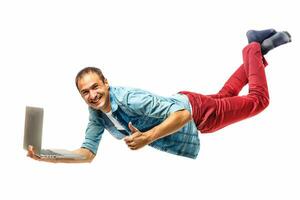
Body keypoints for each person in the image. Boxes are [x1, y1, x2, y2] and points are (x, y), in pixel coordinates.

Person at [27, 29, 291, 162]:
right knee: (227, 94)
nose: (93, 95)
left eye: (96, 87)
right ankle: (259, 51)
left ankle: (253, 47)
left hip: (196, 114)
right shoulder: (97, 114)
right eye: (85, 92)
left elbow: (183, 114)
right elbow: (87, 153)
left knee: (259, 100)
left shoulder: (130, 98)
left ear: (106, 83)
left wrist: (148, 138)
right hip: (186, 102)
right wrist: (48, 155)